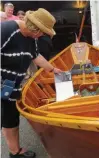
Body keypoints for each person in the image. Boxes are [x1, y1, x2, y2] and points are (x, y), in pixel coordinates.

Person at [1, 8, 62, 158]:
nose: (42, 35)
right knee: (8, 117)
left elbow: (35, 56)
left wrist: (53, 69)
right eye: (42, 32)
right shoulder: (6, 30)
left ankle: (15, 150)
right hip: (4, 83)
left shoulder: (31, 38)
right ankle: (15, 153)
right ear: (34, 28)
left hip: (13, 83)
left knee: (12, 116)